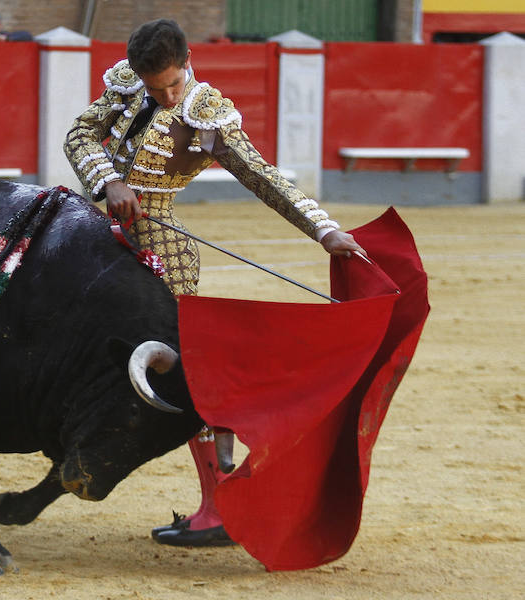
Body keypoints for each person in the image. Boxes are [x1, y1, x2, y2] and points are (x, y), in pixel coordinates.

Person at [64, 19, 365, 547]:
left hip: (163, 244)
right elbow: (80, 133)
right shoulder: (128, 83)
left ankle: (218, 504)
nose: (164, 96)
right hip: (94, 227)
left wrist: (324, 230)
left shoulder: (207, 113)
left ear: (188, 60)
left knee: (189, 369)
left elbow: (261, 176)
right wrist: (108, 181)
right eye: (154, 88)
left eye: (172, 85)